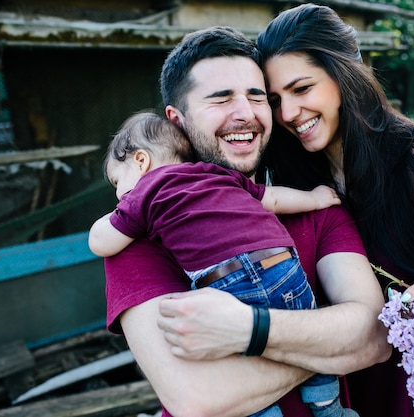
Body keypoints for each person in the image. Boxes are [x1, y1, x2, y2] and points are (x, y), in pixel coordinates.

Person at [156, 4, 414, 417]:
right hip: (351, 381)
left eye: (302, 89)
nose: (288, 114)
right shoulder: (294, 174)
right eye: (275, 99)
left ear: (342, 77)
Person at [103, 26, 390, 417]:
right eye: (221, 99)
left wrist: (245, 330)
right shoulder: (143, 238)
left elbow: (374, 336)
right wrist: (326, 337)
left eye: (257, 97)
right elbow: (198, 400)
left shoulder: (318, 210)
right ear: (178, 119)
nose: (245, 114)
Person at [89, 110, 354, 417]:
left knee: (242, 352)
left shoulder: (144, 194)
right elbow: (274, 199)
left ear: (140, 161)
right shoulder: (216, 174)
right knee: (303, 327)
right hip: (284, 267)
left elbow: (101, 242)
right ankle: (330, 408)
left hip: (232, 281)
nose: (118, 194)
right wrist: (316, 198)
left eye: (116, 182)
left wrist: (117, 214)